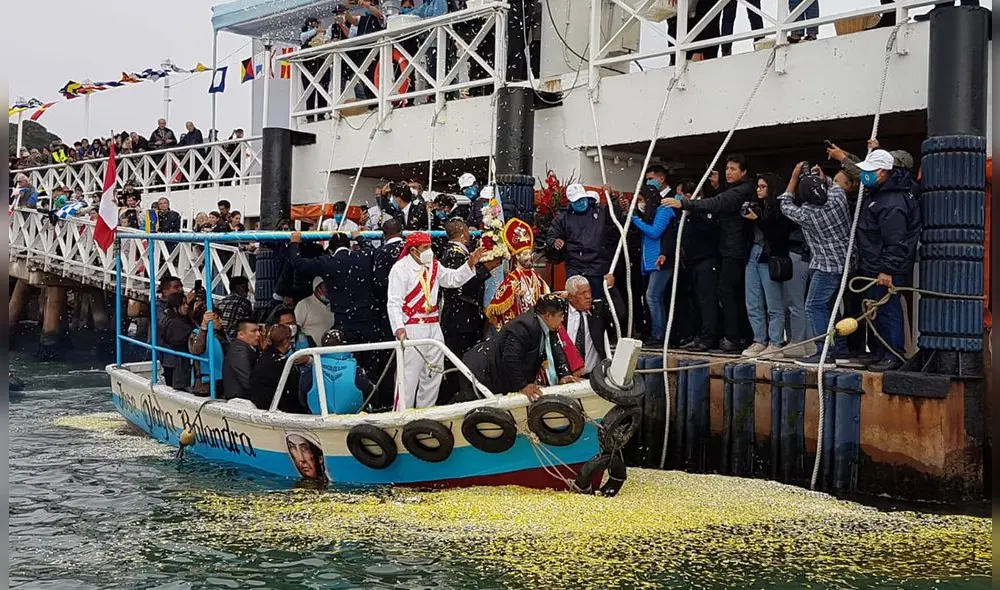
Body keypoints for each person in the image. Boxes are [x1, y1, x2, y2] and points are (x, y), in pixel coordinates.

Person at [663, 154, 755, 353]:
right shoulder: (732, 189)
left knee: (728, 293)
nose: (728, 172)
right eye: (727, 168)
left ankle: (733, 337)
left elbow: (719, 203)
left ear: (744, 172)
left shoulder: (743, 191)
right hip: (727, 248)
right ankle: (732, 335)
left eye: (733, 169)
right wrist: (717, 185)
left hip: (735, 249)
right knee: (726, 294)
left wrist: (686, 204)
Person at [386, 231, 485, 410]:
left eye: (430, 247)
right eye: (425, 248)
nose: (429, 251)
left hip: (433, 326)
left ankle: (426, 413)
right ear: (414, 250)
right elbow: (394, 302)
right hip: (412, 327)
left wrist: (469, 264)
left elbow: (452, 280)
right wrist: (399, 328)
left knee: (433, 374)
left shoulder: (434, 265)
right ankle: (401, 415)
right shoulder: (400, 269)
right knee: (408, 376)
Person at [778, 162, 853, 367]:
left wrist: (794, 179)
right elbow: (833, 185)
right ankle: (841, 350)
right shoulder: (838, 198)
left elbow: (785, 204)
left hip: (826, 265)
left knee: (814, 306)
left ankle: (824, 352)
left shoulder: (807, 215)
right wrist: (821, 178)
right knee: (831, 307)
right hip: (846, 262)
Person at [854, 149, 921, 372]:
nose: (865, 175)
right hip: (874, 265)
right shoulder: (882, 193)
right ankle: (881, 351)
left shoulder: (892, 200)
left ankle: (893, 352)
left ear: (882, 172)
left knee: (888, 309)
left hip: (885, 267)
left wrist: (887, 269)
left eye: (870, 171)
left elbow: (896, 239)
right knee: (877, 309)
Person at [461, 294, 579, 401]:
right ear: (548, 315)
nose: (562, 320)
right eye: (560, 316)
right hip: (481, 373)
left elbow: (556, 349)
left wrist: (564, 374)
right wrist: (522, 385)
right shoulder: (524, 327)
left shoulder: (549, 325)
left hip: (495, 372)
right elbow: (511, 357)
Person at [741, 173, 794, 358]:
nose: (758, 190)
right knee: (753, 301)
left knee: (774, 303)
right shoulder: (756, 205)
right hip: (753, 254)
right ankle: (759, 339)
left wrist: (757, 219)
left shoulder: (780, 208)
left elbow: (777, 235)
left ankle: (775, 342)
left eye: (763, 187)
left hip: (770, 257)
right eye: (758, 186)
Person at [546, 184, 618, 299]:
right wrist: (555, 241)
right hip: (575, 267)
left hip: (597, 267)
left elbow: (615, 221)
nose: (581, 202)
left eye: (582, 199)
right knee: (576, 300)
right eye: (577, 200)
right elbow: (552, 235)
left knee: (595, 301)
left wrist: (612, 197)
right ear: (571, 201)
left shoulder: (600, 211)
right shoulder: (563, 217)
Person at [631, 181, 676, 346]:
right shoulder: (650, 214)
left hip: (661, 261)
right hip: (650, 263)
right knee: (654, 298)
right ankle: (656, 332)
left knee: (652, 296)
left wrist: (635, 220)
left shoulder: (664, 211)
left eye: (642, 199)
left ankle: (659, 335)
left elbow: (655, 232)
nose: (640, 203)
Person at [486, 218, 551, 330]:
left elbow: (546, 296)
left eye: (530, 253)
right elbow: (496, 307)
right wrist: (516, 297)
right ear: (517, 256)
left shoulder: (537, 277)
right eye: (525, 254)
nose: (529, 257)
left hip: (535, 326)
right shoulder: (512, 280)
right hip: (519, 327)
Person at [301, 328, 374, 415]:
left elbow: (302, 394)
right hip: (352, 416)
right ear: (344, 345)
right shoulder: (354, 368)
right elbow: (369, 390)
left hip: (319, 417)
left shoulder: (312, 369)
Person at [248, 324, 309, 412]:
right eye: (290, 339)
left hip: (263, 406)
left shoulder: (263, 357)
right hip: (280, 409)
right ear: (285, 342)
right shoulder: (283, 363)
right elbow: (293, 389)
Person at [563, 275, 614, 377]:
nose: (588, 296)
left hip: (593, 376)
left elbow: (621, 314)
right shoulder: (561, 314)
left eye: (589, 291)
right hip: (566, 376)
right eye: (582, 293)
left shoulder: (597, 311)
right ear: (570, 297)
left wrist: (610, 289)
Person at [158, 293, 195, 390]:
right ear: (175, 307)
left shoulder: (168, 318)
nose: (186, 306)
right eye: (183, 304)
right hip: (176, 362)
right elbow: (181, 338)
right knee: (177, 387)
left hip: (170, 360)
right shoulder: (175, 323)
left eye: (187, 303)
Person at [188, 308, 224, 396]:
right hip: (205, 384)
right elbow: (197, 350)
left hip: (222, 380)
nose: (221, 321)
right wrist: (203, 328)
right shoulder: (195, 334)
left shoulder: (221, 335)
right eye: (216, 319)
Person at [223, 320, 261, 400]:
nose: (258, 334)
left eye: (258, 330)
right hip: (239, 398)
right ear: (241, 334)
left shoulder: (248, 348)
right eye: (253, 331)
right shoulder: (239, 351)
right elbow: (247, 379)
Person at [295, 276, 336, 345]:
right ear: (317, 288)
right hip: (311, 351)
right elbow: (296, 327)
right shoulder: (304, 304)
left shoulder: (335, 304)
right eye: (325, 287)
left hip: (330, 351)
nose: (328, 290)